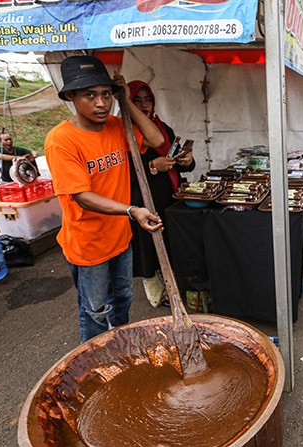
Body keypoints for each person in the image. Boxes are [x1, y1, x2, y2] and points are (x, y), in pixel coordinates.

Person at [44, 55, 165, 343]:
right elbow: (82, 197)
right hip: (88, 246)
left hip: (120, 238)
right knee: (96, 309)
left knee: (123, 298)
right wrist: (132, 210)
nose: (101, 103)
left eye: (106, 94)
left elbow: (157, 140)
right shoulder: (61, 140)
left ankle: (119, 346)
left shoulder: (115, 126)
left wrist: (127, 101)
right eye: (90, 95)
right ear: (71, 96)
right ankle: (95, 362)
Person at [127, 80, 196, 308]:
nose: (144, 104)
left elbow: (176, 161)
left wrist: (187, 160)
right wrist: (151, 167)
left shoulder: (162, 127)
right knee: (148, 243)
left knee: (167, 239)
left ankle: (170, 280)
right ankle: (154, 288)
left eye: (147, 99)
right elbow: (121, 174)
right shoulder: (123, 131)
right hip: (141, 199)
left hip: (168, 194)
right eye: (137, 100)